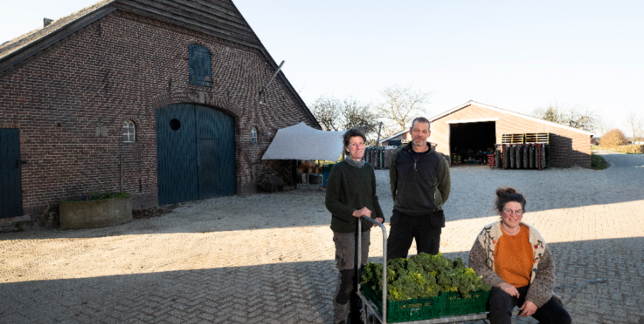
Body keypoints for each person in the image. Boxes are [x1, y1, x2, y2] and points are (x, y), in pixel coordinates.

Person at [469, 187, 571, 324]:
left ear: (523, 213)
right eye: (508, 211)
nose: (513, 215)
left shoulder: (534, 236)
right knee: (499, 309)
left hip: (528, 287)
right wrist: (501, 284)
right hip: (501, 288)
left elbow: (546, 270)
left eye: (518, 211)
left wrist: (534, 299)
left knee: (562, 319)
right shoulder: (487, 234)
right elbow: (476, 265)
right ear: (500, 212)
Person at [325, 128, 385, 324]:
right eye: (354, 144)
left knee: (361, 274)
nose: (358, 147)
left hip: (364, 229)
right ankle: (339, 319)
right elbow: (331, 202)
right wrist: (355, 212)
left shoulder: (368, 169)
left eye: (361, 143)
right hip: (345, 230)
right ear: (347, 147)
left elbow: (372, 196)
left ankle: (355, 315)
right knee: (348, 277)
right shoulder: (338, 169)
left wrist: (379, 215)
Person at [387, 117, 451, 260]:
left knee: (428, 263)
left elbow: (444, 188)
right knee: (393, 260)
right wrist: (402, 201)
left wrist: (431, 202)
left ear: (429, 134)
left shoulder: (438, 160)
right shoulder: (398, 156)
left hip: (429, 217)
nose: (419, 134)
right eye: (416, 130)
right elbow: (394, 184)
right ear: (410, 131)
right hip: (402, 216)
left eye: (424, 131)